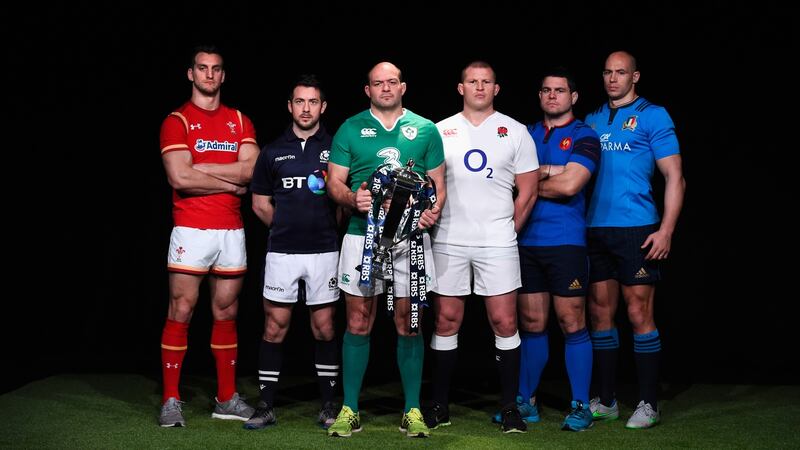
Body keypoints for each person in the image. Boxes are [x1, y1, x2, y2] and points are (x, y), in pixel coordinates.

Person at [325, 61, 446, 438]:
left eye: (392, 82)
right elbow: (334, 183)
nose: (386, 88)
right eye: (378, 83)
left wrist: (430, 211)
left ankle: (412, 409)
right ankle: (349, 408)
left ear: (403, 87)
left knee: (409, 323)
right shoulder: (349, 127)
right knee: (358, 321)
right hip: (362, 237)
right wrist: (352, 198)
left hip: (409, 240)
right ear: (368, 90)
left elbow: (438, 187)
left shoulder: (426, 129)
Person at [424, 61, 539, 434]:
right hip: (448, 239)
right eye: (472, 81)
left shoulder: (515, 131)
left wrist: (505, 231)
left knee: (505, 322)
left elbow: (528, 192)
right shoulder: (439, 131)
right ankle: (439, 406)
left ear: (496, 88)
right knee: (446, 320)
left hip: (497, 241)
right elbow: (427, 187)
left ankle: (510, 409)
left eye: (486, 81)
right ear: (460, 88)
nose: (479, 87)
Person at [157, 45, 259, 427]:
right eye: (202, 68)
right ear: (191, 73)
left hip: (231, 229)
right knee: (181, 309)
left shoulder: (239, 120)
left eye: (216, 69)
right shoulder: (177, 121)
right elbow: (179, 176)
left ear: (223, 75)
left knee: (227, 311)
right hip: (191, 227)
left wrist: (201, 167)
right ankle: (170, 399)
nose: (209, 75)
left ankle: (226, 398)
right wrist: (230, 181)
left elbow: (251, 171)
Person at [584, 51, 685, 429]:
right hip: (595, 228)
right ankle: (608, 400)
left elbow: (675, 177)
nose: (613, 78)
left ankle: (648, 404)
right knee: (600, 314)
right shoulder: (591, 119)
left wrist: (666, 230)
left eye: (621, 72)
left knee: (639, 313)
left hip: (638, 229)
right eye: (607, 72)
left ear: (635, 76)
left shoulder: (653, 115)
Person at [243, 75, 341, 430]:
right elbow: (259, 203)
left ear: (323, 107)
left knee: (325, 328)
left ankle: (329, 405)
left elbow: (344, 202)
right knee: (274, 327)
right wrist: (286, 226)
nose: (306, 108)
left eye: (313, 102)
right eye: (300, 101)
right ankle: (266, 405)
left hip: (325, 252)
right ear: (289, 106)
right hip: (282, 253)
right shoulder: (272, 151)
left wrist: (322, 228)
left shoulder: (337, 148)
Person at [512, 67, 600, 432]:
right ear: (539, 96)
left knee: (571, 322)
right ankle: (526, 402)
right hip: (524, 242)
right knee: (532, 324)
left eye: (560, 90)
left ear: (573, 97)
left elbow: (570, 185)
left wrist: (531, 182)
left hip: (566, 242)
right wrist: (551, 171)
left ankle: (581, 405)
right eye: (546, 90)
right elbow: (505, 180)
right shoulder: (524, 133)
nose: (552, 96)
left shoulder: (584, 134)